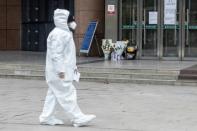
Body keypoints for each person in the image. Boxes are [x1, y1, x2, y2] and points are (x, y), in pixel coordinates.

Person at [39, 9, 96, 127]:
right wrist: (61, 71)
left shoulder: (62, 33)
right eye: (71, 20)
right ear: (64, 21)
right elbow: (56, 55)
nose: (74, 22)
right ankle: (77, 117)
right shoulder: (59, 34)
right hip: (59, 72)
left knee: (54, 94)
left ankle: (46, 117)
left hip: (60, 71)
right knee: (68, 93)